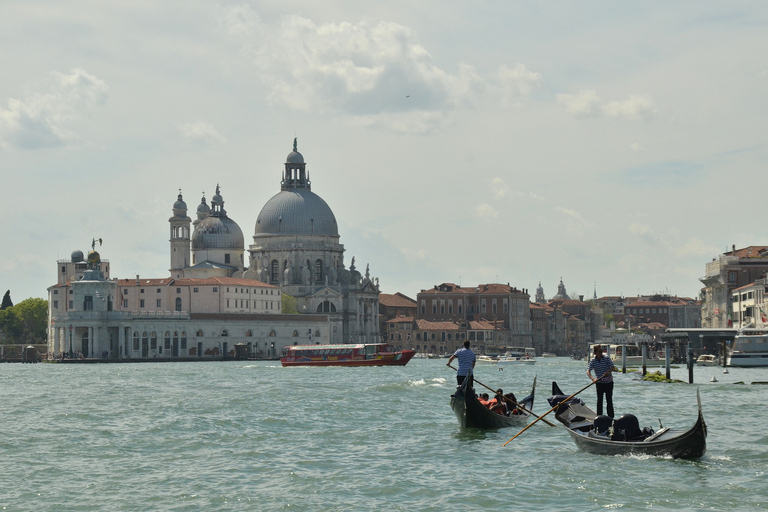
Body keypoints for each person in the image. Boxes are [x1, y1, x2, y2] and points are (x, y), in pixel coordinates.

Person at [587, 345, 618, 418]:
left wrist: (607, 372)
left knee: (609, 401)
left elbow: (613, 367)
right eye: (600, 351)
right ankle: (599, 418)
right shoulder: (593, 361)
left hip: (608, 383)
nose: (602, 353)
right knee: (599, 401)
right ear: (595, 353)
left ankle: (611, 418)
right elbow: (588, 371)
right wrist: (593, 379)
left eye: (602, 351)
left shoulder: (606, 358)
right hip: (599, 383)